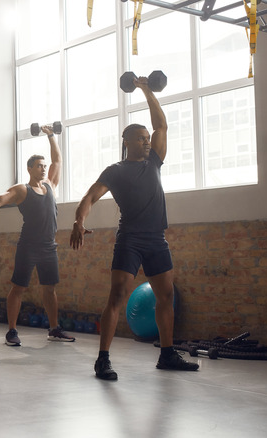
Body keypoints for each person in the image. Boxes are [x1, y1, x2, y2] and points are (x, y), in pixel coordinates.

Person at [70, 75, 199, 381]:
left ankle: (166, 354)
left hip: (157, 239)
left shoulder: (154, 161)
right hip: (129, 239)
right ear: (127, 141)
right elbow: (90, 196)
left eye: (147, 138)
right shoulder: (115, 171)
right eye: (140, 138)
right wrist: (78, 221)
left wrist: (144, 89)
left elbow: (161, 127)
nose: (147, 141)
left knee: (166, 296)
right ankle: (103, 360)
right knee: (116, 297)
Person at [0, 125, 75, 346]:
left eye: (44, 166)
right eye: (39, 166)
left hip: (49, 246)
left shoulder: (50, 186)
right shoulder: (22, 190)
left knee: (50, 288)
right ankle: (11, 331)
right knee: (19, 287)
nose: (43, 169)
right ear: (29, 169)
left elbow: (57, 161)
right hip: (28, 246)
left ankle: (54, 329)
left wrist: (51, 135)